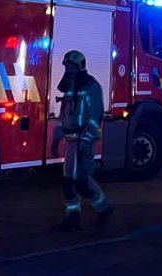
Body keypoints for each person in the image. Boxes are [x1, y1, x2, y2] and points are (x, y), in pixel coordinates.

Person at [52, 49, 115, 232]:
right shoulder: (70, 87)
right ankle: (73, 217)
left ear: (79, 66)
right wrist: (56, 139)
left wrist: (86, 141)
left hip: (84, 141)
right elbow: (65, 115)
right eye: (67, 66)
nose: (69, 70)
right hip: (71, 142)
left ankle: (104, 209)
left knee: (82, 182)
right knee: (67, 182)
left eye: (72, 66)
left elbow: (96, 116)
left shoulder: (91, 87)